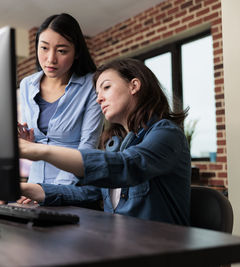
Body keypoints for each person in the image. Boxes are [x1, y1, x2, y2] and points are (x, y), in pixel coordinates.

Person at [18, 58, 191, 226]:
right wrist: (26, 188)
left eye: (106, 87)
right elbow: (88, 193)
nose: (98, 99)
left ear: (134, 86)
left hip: (162, 248)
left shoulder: (167, 133)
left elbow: (127, 166)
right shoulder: (117, 145)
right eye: (97, 93)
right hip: (120, 245)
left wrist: (40, 150)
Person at [18, 13, 103, 186]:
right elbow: (36, 143)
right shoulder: (27, 84)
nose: (50, 59)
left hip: (73, 187)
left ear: (77, 52)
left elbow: (88, 147)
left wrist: (52, 192)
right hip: (34, 184)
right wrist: (29, 143)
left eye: (62, 51)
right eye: (44, 48)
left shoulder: (92, 85)